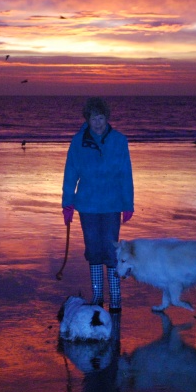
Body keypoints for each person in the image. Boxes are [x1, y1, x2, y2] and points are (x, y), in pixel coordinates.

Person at [62, 97, 134, 312]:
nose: (98, 123)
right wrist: (67, 204)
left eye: (101, 118)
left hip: (112, 205)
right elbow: (70, 174)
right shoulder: (77, 141)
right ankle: (97, 295)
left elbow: (126, 174)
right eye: (94, 118)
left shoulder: (120, 141)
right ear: (88, 119)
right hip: (87, 206)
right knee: (93, 249)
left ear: (106, 118)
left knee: (111, 251)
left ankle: (115, 298)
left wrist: (128, 204)